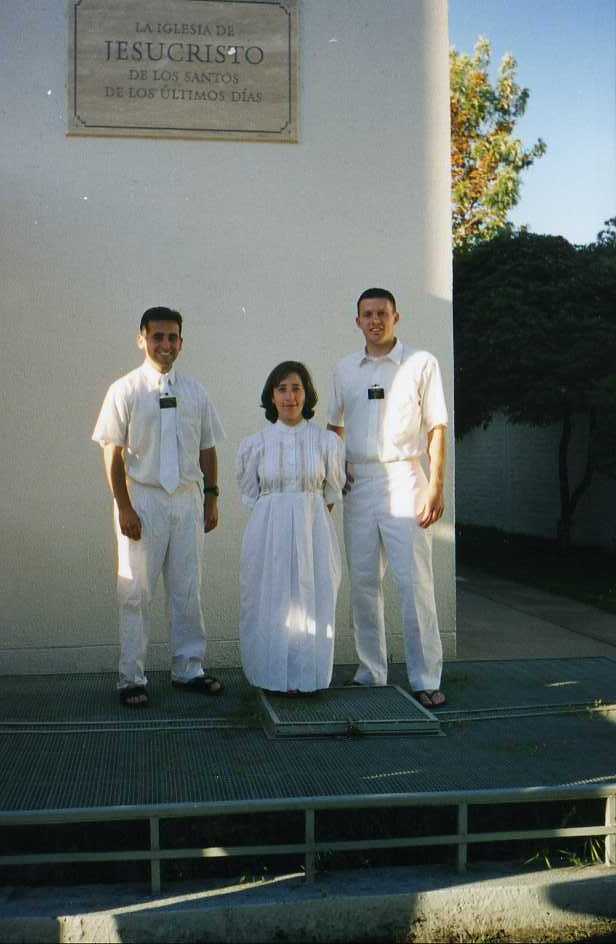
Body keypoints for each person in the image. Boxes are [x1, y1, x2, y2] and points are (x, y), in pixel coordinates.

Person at [92, 307, 225, 707]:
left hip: (186, 500)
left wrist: (211, 496)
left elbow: (207, 447)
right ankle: (131, 678)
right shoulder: (125, 390)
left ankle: (189, 669)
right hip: (142, 499)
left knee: (187, 589)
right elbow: (112, 453)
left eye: (172, 338)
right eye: (157, 337)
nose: (165, 345)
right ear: (142, 340)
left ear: (181, 342)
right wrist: (124, 507)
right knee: (135, 591)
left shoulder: (196, 391)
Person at [327, 288, 448, 709]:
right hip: (359, 485)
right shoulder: (344, 369)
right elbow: (334, 426)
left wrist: (435, 485)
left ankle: (426, 677)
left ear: (397, 316)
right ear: (357, 320)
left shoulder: (422, 363)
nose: (375, 320)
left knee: (414, 584)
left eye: (382, 313)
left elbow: (436, 427)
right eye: (367, 314)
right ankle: (371, 671)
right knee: (363, 584)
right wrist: (336, 473)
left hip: (406, 479)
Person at [236, 361, 346, 694]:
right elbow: (251, 495)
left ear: (306, 394)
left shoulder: (326, 442)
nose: (289, 397)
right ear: (271, 396)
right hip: (268, 531)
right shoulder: (255, 444)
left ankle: (306, 678)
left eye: (296, 388)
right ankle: (272, 676)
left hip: (314, 531)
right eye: (282, 389)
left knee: (313, 597)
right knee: (271, 599)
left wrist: (305, 517)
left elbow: (331, 493)